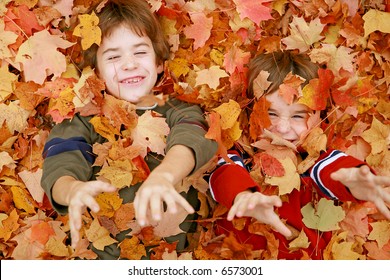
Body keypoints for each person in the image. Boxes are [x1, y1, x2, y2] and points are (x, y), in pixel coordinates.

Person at [41, 0, 217, 259]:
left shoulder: (177, 109)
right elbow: (61, 163)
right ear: (97, 72)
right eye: (113, 56)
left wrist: (165, 175)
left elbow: (192, 136)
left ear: (159, 63)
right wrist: (72, 190)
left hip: (179, 257)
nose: (129, 64)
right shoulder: (83, 122)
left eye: (140, 52)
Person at [208, 51, 390, 259]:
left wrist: (354, 178)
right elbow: (224, 174)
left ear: (318, 118)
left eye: (297, 116)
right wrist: (242, 195)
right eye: (271, 114)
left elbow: (333, 170)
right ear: (251, 112)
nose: (283, 128)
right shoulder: (239, 156)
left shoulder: (313, 163)